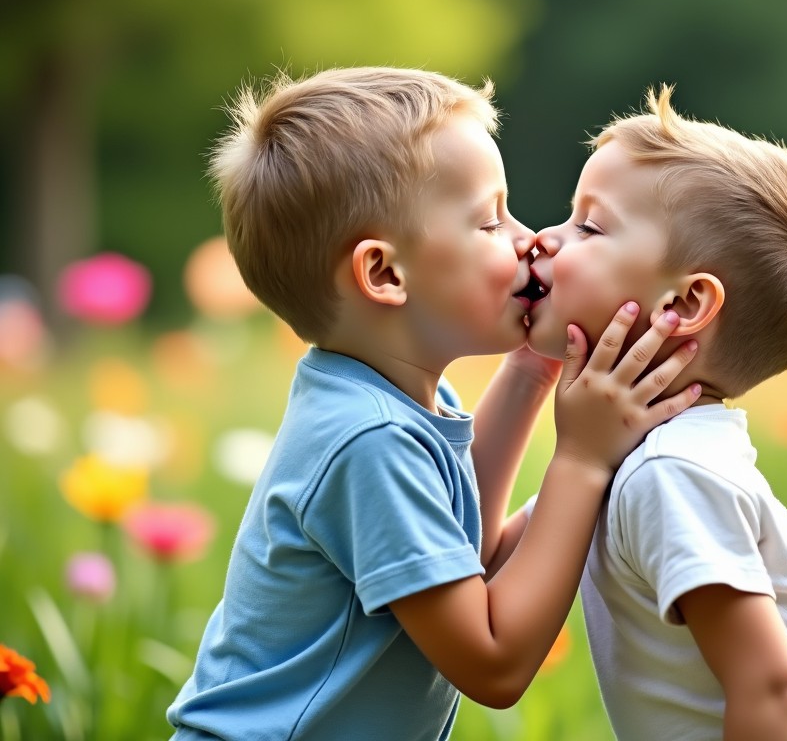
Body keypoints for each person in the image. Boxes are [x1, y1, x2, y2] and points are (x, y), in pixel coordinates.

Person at [166, 67, 702, 741]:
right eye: (488, 221)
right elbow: (493, 665)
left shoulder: (385, 397)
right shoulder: (368, 441)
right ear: (386, 274)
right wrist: (583, 463)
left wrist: (535, 372)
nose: (527, 239)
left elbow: (462, 552)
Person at [524, 85, 787, 740]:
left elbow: (772, 694)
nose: (544, 238)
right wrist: (526, 364)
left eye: (589, 227)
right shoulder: (625, 456)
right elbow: (486, 560)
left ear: (683, 305)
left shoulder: (671, 471)